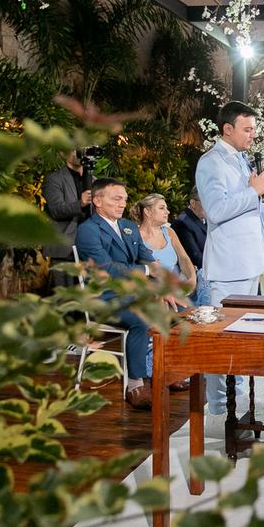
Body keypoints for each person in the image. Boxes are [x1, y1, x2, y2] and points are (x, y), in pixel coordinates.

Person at [194, 101, 264, 424]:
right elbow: (216, 210)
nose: (253, 135)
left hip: (250, 263)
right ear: (228, 128)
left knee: (243, 337)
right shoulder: (210, 162)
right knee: (222, 340)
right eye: (247, 129)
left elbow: (244, 208)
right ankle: (218, 409)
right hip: (229, 265)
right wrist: (253, 193)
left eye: (254, 129)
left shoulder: (240, 158)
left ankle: (237, 398)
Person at [74, 178, 188, 411]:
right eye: (116, 199)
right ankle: (135, 385)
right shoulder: (87, 230)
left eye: (124, 199)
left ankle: (169, 372)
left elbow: (145, 257)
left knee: (179, 311)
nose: (122, 204)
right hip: (103, 299)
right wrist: (146, 271)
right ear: (97, 201)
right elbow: (107, 269)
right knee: (140, 318)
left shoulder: (128, 225)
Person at [131, 193, 207, 306]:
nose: (167, 212)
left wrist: (191, 279)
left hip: (180, 285)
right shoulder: (136, 237)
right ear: (147, 212)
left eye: (166, 208)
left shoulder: (169, 232)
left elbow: (184, 258)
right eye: (162, 208)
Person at [42, 149, 91, 287]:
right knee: (67, 295)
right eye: (74, 149)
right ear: (63, 153)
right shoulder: (54, 179)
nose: (79, 153)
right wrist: (80, 204)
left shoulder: (93, 180)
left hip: (90, 245)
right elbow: (56, 209)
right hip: (65, 247)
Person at [170, 186, 208, 271]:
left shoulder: (208, 220)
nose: (208, 206)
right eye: (204, 201)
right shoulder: (181, 224)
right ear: (193, 203)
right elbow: (195, 258)